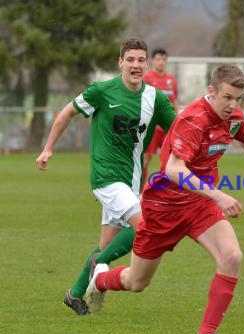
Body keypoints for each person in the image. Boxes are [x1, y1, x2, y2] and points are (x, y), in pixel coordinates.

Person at [85, 64, 244, 334]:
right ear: (211, 92)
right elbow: (173, 169)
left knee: (232, 256)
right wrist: (218, 195)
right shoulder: (193, 119)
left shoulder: (232, 118)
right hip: (163, 208)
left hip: (199, 205)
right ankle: (101, 277)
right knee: (137, 282)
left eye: (239, 99)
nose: (233, 105)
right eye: (228, 97)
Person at [35, 38, 176, 316]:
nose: (136, 65)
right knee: (145, 226)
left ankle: (74, 294)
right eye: (131, 59)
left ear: (146, 64)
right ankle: (100, 272)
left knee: (107, 245)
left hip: (131, 181)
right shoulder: (102, 91)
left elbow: (182, 129)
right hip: (105, 177)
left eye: (140, 60)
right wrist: (48, 148)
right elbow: (67, 113)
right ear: (120, 62)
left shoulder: (156, 98)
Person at [143, 48, 178, 181]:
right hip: (152, 127)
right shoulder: (147, 78)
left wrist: (177, 119)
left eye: (164, 59)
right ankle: (139, 192)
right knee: (146, 158)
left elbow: (174, 101)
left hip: (168, 128)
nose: (161, 62)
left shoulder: (171, 79)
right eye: (158, 59)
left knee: (169, 160)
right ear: (152, 61)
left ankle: (163, 192)